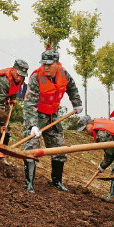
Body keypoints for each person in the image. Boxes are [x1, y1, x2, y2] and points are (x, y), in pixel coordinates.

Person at [22, 49, 83, 193]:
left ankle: (57, 181)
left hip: (52, 115)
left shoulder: (64, 73)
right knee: (32, 148)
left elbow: (72, 88)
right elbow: (29, 103)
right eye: (44, 64)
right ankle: (29, 183)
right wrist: (32, 125)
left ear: (57, 63)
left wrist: (77, 103)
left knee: (59, 147)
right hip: (36, 115)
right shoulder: (36, 77)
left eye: (49, 64)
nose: (46, 67)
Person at [77, 115, 114, 202]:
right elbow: (111, 151)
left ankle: (112, 196)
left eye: (85, 128)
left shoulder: (101, 134)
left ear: (91, 124)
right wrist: (102, 166)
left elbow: (110, 153)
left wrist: (103, 165)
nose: (85, 132)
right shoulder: (100, 128)